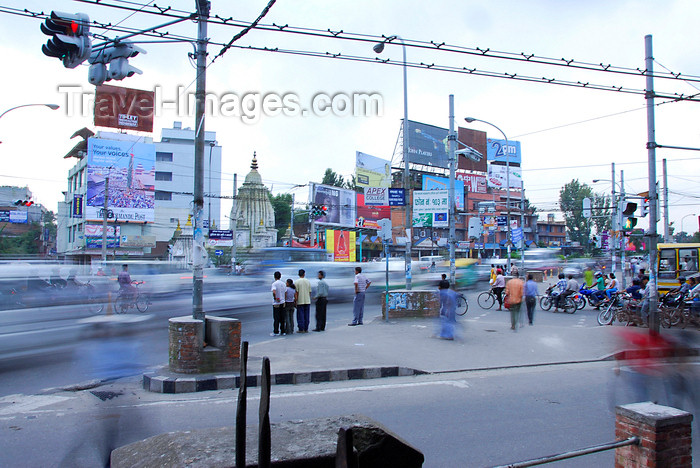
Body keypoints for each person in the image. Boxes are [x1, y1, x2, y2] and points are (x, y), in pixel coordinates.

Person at [270, 271, 286, 336]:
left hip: (276, 303)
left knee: (276, 318)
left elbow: (274, 292)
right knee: (282, 318)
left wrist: (275, 298)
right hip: (283, 302)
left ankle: (276, 331)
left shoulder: (274, 284)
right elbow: (285, 292)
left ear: (274, 277)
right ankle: (283, 331)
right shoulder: (283, 284)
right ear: (280, 276)